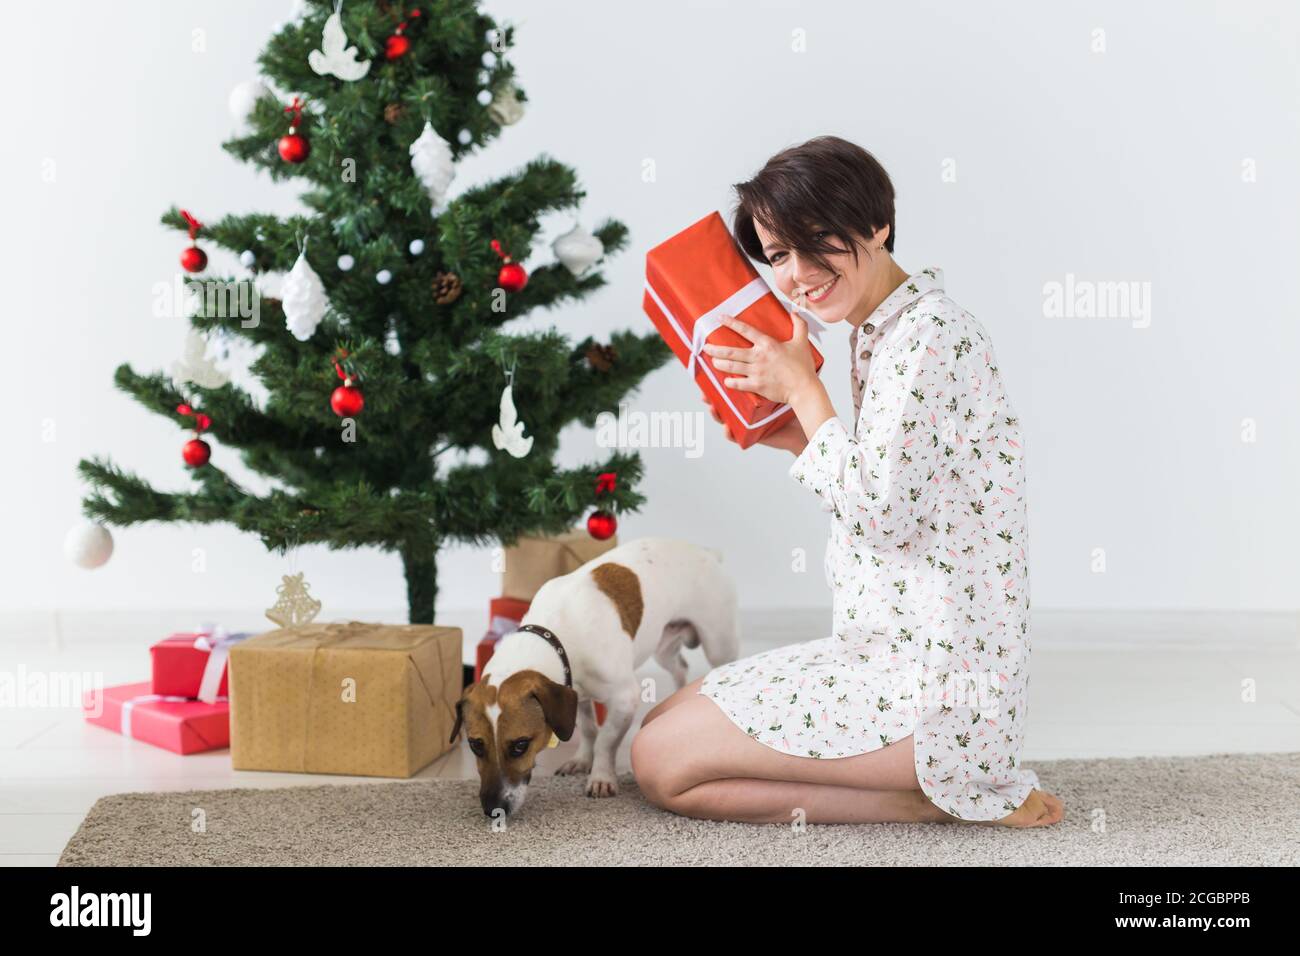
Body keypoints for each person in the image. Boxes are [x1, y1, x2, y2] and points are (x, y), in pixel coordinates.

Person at [629, 136, 1064, 827]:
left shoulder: (931, 337)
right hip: (880, 656)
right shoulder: (885, 333)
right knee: (661, 719)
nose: (798, 274)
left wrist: (805, 391)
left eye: (815, 242)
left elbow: (882, 516)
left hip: (940, 693)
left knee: (660, 763)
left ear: (876, 223)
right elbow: (893, 486)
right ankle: (930, 791)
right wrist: (793, 434)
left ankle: (940, 799)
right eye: (778, 256)